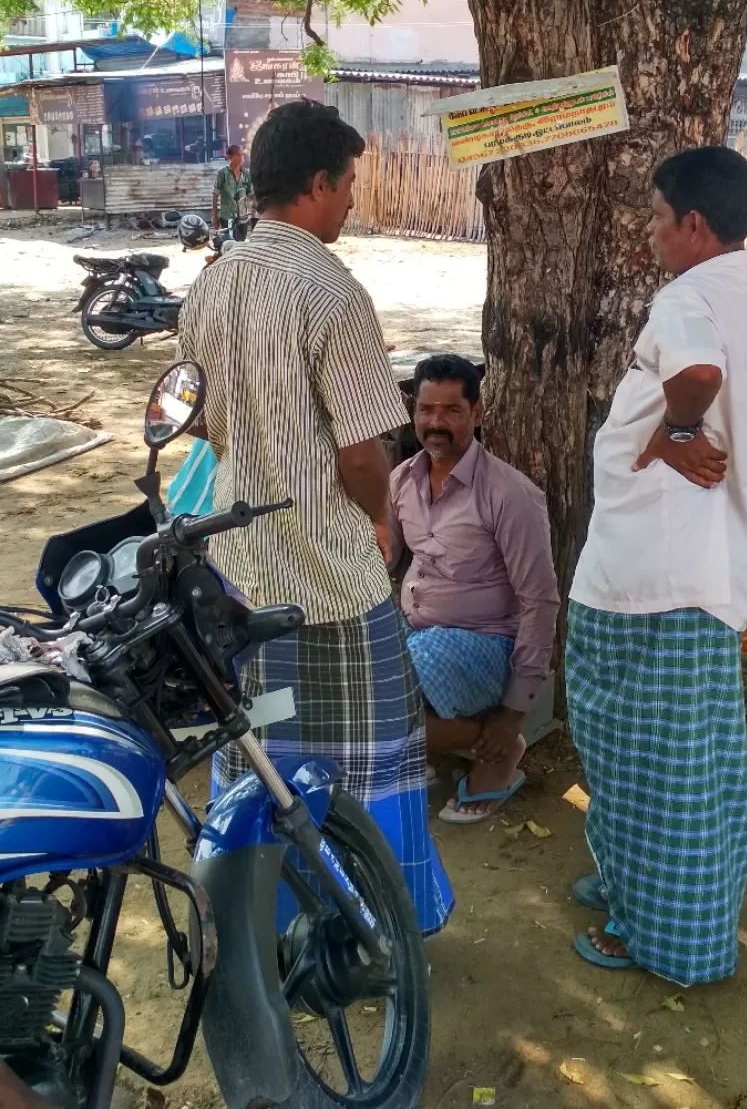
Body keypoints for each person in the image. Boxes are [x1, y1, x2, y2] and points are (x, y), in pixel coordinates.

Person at [566, 144, 747, 985]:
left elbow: (698, 372)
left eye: (658, 220)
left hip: (651, 582)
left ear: (694, 224)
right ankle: (636, 888)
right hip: (689, 578)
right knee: (660, 761)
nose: (651, 236)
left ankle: (667, 941)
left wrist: (681, 432)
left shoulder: (689, 296)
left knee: (655, 768)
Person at [178, 100, 453, 935]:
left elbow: (197, 423)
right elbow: (362, 456)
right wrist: (383, 522)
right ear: (318, 185)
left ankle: (264, 913)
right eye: (350, 186)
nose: (353, 203)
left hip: (239, 571)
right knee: (372, 752)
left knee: (263, 747)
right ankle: (372, 917)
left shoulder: (211, 284)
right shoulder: (331, 290)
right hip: (329, 571)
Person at [389, 353, 559, 825]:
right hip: (421, 637)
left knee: (384, 700)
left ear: (477, 414)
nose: (436, 423)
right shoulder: (403, 480)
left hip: (487, 646)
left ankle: (500, 744)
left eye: (451, 411)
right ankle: (454, 737)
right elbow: (382, 557)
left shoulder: (510, 493)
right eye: (426, 410)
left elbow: (540, 600)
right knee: (353, 678)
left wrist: (512, 712)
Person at [211, 142, 250, 229]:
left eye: (242, 155)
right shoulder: (222, 173)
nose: (241, 158)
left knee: (241, 242)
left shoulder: (246, 174)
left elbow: (250, 195)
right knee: (228, 242)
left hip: (242, 218)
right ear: (230, 157)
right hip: (226, 217)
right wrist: (214, 216)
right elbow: (215, 195)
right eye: (238, 155)